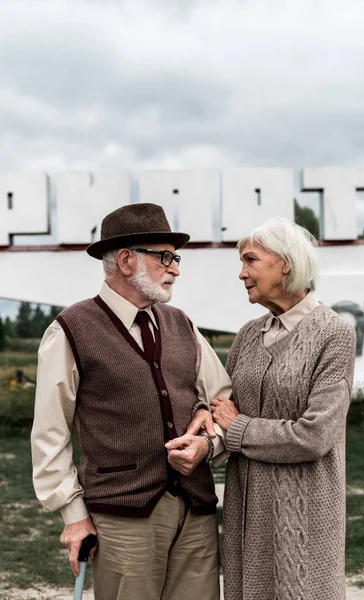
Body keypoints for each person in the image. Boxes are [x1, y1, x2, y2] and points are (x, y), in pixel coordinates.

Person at [31, 203, 231, 600]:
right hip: (122, 519)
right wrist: (73, 517)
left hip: (196, 510)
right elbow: (49, 435)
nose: (176, 268)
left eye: (176, 259)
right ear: (125, 260)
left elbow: (224, 400)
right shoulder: (71, 329)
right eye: (165, 257)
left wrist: (210, 443)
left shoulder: (181, 323)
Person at [210, 218, 356, 600]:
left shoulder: (333, 333)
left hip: (304, 512)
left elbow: (314, 436)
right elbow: (222, 413)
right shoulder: (247, 335)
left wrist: (239, 428)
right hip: (246, 510)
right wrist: (205, 445)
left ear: (286, 263)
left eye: (250, 261)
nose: (242, 273)